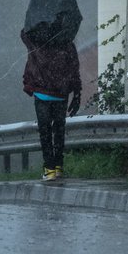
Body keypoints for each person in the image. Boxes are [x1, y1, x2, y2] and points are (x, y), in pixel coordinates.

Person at [21, 29, 81, 181]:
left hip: (42, 93)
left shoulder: (35, 40)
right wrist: (77, 94)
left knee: (45, 130)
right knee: (59, 130)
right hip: (61, 94)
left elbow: (23, 33)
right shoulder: (67, 43)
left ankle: (49, 168)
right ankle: (59, 166)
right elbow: (74, 69)